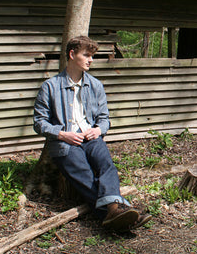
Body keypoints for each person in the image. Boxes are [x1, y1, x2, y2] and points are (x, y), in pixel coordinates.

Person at [33, 36, 151, 231]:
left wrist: (98, 129)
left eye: (92, 56)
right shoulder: (50, 87)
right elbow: (39, 123)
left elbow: (104, 119)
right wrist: (63, 134)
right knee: (86, 176)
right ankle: (124, 212)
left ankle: (114, 215)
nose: (91, 60)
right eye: (86, 55)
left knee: (107, 166)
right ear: (72, 55)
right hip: (65, 144)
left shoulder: (95, 85)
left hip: (91, 138)